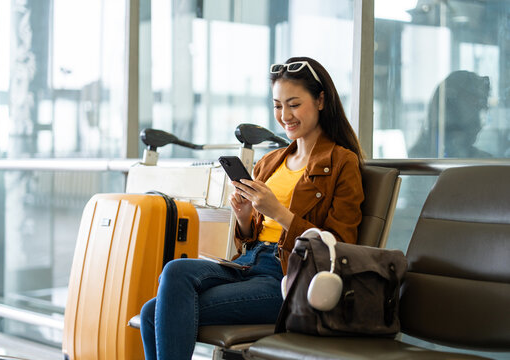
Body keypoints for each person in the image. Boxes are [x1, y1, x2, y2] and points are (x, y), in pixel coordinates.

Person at [139, 56, 364, 359]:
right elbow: (251, 238)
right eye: (277, 105)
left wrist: (279, 213)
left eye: (294, 104)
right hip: (249, 263)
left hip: (288, 279)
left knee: (155, 312)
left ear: (321, 100)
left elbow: (341, 245)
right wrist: (245, 218)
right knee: (173, 274)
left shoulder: (341, 162)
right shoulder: (271, 162)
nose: (285, 115)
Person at [409, 70, 491, 158]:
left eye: (480, 107)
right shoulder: (419, 163)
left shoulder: (482, 160)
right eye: (476, 105)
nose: (480, 122)